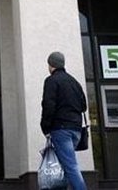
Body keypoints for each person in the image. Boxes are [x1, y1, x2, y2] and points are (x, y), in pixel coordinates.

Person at [41, 51, 87, 190]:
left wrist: (45, 127)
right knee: (65, 166)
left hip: (61, 129)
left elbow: (48, 105)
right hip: (76, 129)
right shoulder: (74, 82)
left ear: (51, 65)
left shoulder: (51, 81)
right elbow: (83, 106)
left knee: (71, 166)